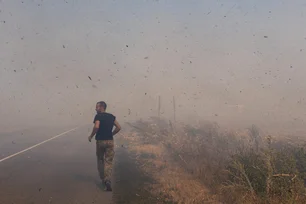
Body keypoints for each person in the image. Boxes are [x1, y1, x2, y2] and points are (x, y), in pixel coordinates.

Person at [88, 101, 121, 191]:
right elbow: (118, 127)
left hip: (100, 141)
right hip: (110, 141)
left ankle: (103, 178)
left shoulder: (98, 116)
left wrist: (91, 136)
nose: (95, 109)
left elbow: (96, 126)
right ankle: (108, 180)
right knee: (108, 161)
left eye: (97, 107)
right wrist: (111, 134)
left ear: (102, 107)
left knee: (100, 159)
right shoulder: (111, 116)